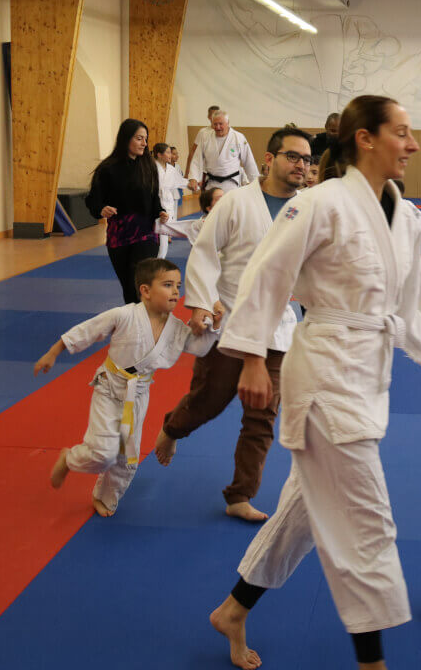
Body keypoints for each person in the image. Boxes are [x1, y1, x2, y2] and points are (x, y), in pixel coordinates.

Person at [206, 95, 421, 670]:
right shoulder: (319, 205)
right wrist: (253, 357)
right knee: (366, 519)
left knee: (306, 507)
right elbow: (266, 274)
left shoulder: (407, 217)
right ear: (365, 138)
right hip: (325, 372)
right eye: (402, 133)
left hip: (369, 374)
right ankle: (372, 661)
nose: (414, 144)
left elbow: (409, 308)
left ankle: (235, 608)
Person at [154, 128, 313, 523]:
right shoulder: (236, 203)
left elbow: (314, 267)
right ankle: (173, 428)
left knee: (262, 413)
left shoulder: (310, 208)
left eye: (307, 160)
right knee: (210, 400)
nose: (301, 165)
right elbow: (205, 253)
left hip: (277, 327)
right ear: (268, 158)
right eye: (292, 156)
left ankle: (240, 494)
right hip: (229, 320)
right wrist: (202, 304)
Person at [34, 258, 219, 517]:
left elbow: (199, 347)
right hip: (109, 389)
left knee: (126, 458)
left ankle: (105, 495)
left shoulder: (176, 328)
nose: (176, 291)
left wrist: (214, 325)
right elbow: (88, 331)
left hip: (138, 395)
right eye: (167, 285)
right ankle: (70, 459)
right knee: (103, 453)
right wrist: (54, 352)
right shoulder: (123, 315)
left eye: (178, 285)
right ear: (145, 290)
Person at [86, 119, 170, 304]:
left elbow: (154, 198)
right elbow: (93, 200)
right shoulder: (107, 169)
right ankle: (135, 326)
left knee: (141, 283)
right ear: (126, 139)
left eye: (145, 139)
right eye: (139, 138)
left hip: (146, 233)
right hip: (119, 235)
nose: (144, 144)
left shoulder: (148, 166)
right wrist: (101, 209)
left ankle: (149, 326)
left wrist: (160, 211)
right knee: (129, 288)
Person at [188, 111, 259, 192]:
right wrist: (193, 178)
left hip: (231, 184)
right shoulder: (205, 138)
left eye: (221, 124)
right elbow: (197, 159)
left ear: (228, 123)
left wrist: (255, 182)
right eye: (215, 124)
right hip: (211, 184)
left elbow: (249, 161)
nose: (218, 127)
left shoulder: (238, 137)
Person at [153, 142, 190, 258]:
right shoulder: (151, 168)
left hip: (167, 203)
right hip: (155, 203)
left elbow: (180, 181)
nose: (170, 155)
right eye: (168, 152)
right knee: (155, 235)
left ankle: (160, 260)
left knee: (164, 234)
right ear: (159, 154)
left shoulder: (170, 169)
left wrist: (194, 185)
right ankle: (155, 259)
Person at [155, 186, 224, 246]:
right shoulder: (202, 224)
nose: (225, 200)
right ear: (209, 208)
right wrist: (159, 223)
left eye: (226, 197)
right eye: (220, 199)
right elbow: (182, 227)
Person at [185, 105, 221, 181]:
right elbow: (193, 151)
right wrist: (187, 171)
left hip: (221, 171)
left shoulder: (225, 132)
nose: (215, 117)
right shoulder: (203, 132)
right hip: (206, 171)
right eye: (213, 115)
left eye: (217, 115)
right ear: (208, 117)